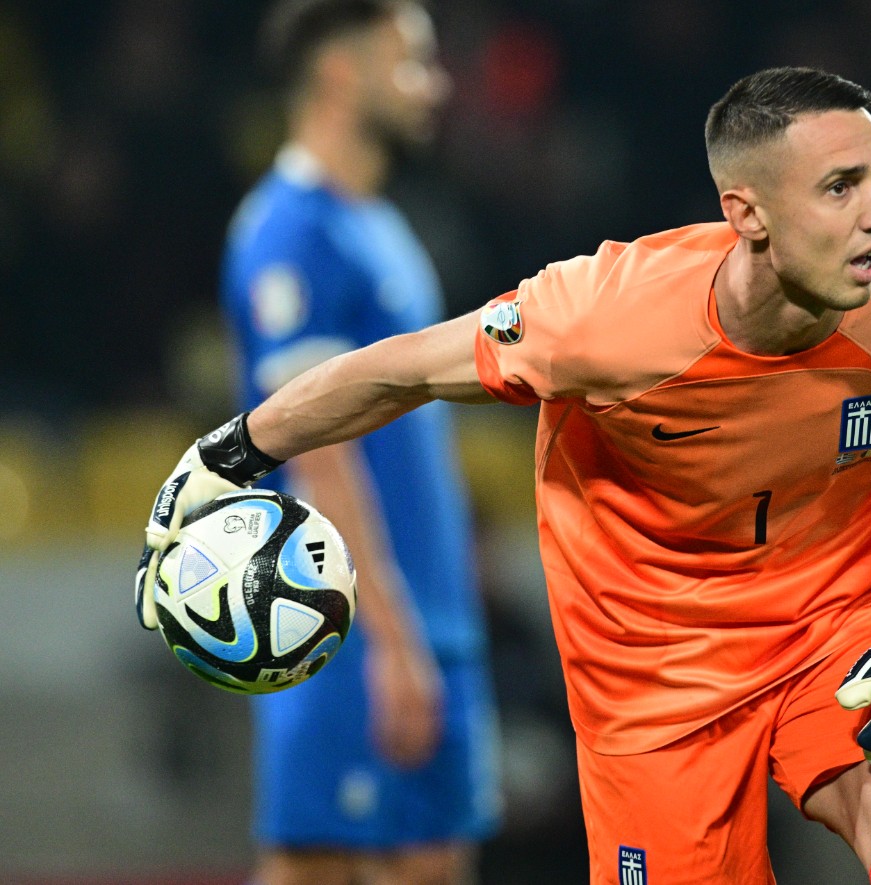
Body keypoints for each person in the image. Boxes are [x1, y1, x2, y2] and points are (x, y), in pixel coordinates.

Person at [140, 66, 871, 884]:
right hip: (652, 678)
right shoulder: (610, 318)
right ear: (748, 213)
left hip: (836, 633)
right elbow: (400, 372)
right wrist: (227, 455)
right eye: (840, 187)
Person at [203, 1, 500, 882]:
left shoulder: (377, 224)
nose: (433, 85)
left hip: (429, 618)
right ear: (340, 70)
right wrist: (388, 637)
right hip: (345, 627)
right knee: (317, 867)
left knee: (431, 862)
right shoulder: (289, 231)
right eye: (410, 61)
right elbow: (318, 450)